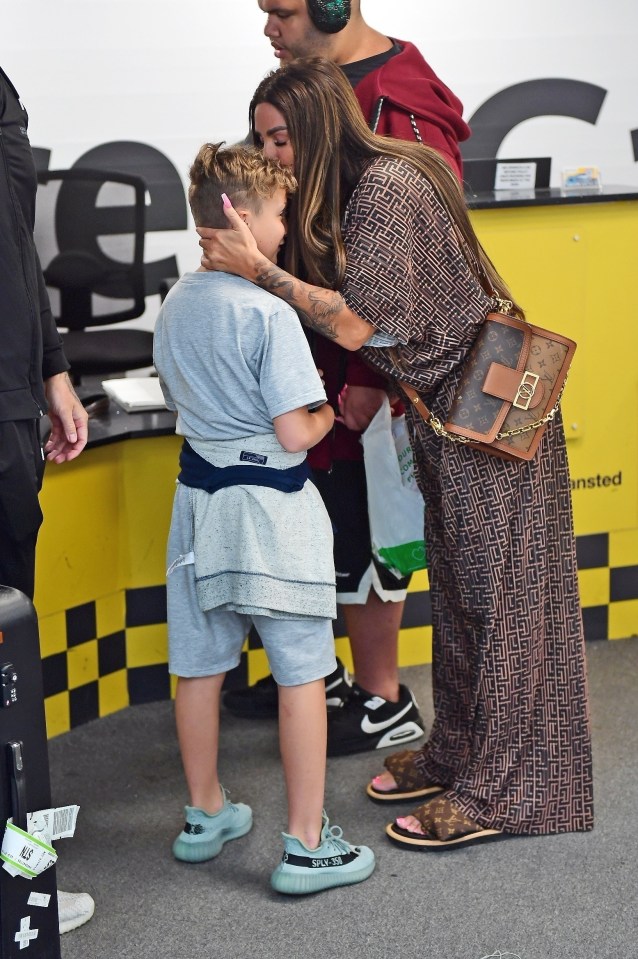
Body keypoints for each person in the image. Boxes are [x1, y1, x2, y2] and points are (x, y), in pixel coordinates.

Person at [197, 58, 594, 849]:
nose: (273, 155)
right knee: (458, 598)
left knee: (503, 607)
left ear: (315, 124)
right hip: (450, 414)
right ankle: (459, 751)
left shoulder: (384, 187)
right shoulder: (359, 187)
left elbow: (361, 325)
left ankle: (507, 793)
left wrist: (260, 271)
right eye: (263, 140)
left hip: (484, 417)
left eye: (280, 138)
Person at [223, 0, 471, 758]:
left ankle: (381, 695)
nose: (270, 27)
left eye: (285, 11)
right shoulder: (309, 86)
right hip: (314, 352)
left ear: (335, 4)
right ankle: (326, 676)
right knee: (326, 517)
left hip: (367, 368)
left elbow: (419, 267)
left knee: (371, 527)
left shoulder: (401, 101)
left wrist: (372, 379)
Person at [153, 142, 375, 892]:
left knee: (200, 661)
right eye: (279, 214)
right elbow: (293, 432)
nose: (284, 229)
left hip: (197, 509)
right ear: (238, 215)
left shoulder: (177, 301)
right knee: (304, 671)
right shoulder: (269, 312)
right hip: (271, 512)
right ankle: (308, 844)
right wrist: (322, 410)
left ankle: (205, 810)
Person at [0, 66, 94, 932]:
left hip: (12, 408)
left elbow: (14, 244)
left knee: (6, 668)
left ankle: (17, 887)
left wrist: (53, 368)